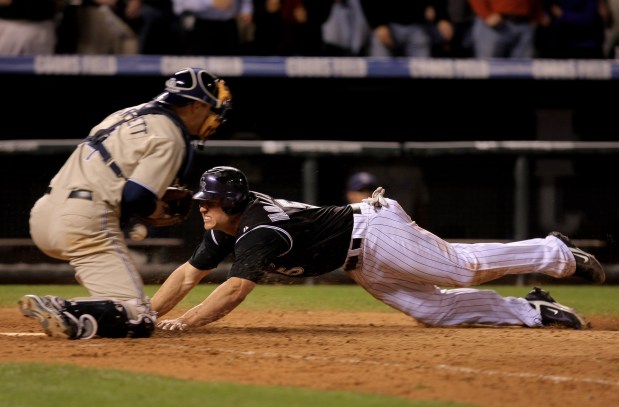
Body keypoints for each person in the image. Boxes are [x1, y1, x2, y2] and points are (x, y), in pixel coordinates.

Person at [152, 166, 605, 333]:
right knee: (435, 312)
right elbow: (187, 274)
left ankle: (553, 252)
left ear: (230, 203)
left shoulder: (258, 230)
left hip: (373, 232)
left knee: (462, 270)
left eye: (208, 203)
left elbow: (232, 292)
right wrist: (149, 314)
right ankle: (533, 313)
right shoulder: (223, 227)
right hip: (356, 258)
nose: (202, 210)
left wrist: (182, 325)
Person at [19, 68, 233, 340]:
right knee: (139, 316)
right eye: (211, 109)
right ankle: (62, 308)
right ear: (197, 105)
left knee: (117, 302)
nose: (214, 118)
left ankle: (91, 302)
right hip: (85, 221)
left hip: (45, 214)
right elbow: (136, 197)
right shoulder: (170, 134)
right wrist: (157, 208)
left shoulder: (126, 113)